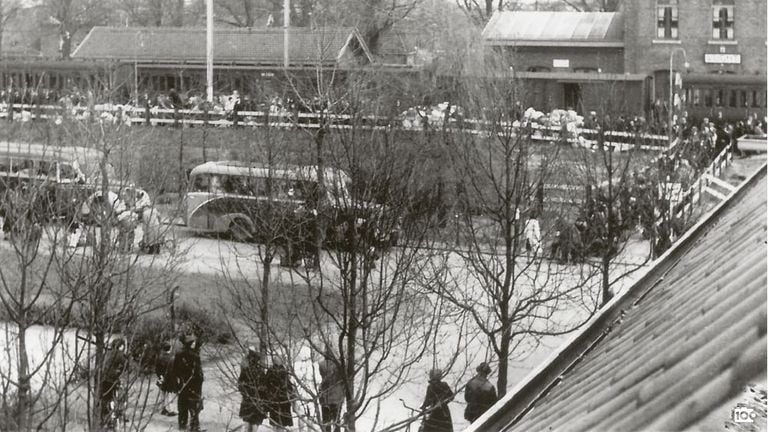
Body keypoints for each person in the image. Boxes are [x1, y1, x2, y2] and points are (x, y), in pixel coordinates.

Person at [169, 334, 204, 431]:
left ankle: (182, 424)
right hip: (193, 385)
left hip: (182, 384)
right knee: (193, 406)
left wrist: (177, 385)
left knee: (182, 406)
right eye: (193, 343)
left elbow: (174, 371)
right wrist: (199, 386)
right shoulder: (195, 356)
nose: (194, 344)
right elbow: (199, 373)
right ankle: (194, 426)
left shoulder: (178, 354)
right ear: (191, 344)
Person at [101, 338, 128, 428]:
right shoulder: (119, 354)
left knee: (105, 399)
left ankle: (105, 419)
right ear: (121, 346)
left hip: (103, 378)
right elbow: (127, 365)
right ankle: (114, 418)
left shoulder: (107, 353)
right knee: (115, 398)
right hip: (112, 379)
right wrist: (119, 371)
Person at [238, 347, 267, 431]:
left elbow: (240, 384)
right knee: (254, 422)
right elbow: (264, 387)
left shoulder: (245, 370)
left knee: (248, 422)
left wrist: (245, 393)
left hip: (248, 399)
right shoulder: (260, 371)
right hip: (256, 399)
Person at [264, 357, 295, 430]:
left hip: (280, 400)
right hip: (277, 400)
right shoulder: (273, 371)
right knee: (277, 422)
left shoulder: (282, 370)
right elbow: (266, 384)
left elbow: (289, 385)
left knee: (280, 422)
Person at [318, 349, 344, 432]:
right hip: (337, 397)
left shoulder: (321, 364)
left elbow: (322, 375)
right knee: (337, 422)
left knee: (326, 422)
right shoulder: (339, 365)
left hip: (326, 397)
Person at [155, 341, 177, 416]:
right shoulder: (172, 358)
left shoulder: (159, 357)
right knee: (169, 394)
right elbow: (173, 369)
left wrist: (160, 376)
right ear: (170, 348)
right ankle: (170, 410)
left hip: (162, 377)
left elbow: (157, 368)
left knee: (162, 394)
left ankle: (162, 409)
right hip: (169, 378)